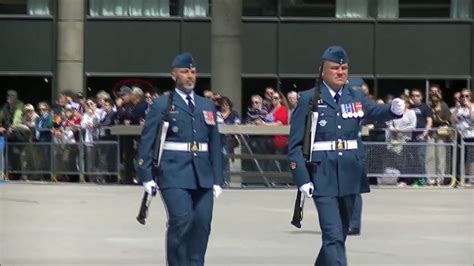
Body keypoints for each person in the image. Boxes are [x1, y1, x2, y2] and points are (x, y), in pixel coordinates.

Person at [288, 46, 405, 266]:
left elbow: (373, 111)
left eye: (344, 68)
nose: (340, 72)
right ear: (323, 71)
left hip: (350, 173)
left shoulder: (355, 95)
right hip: (322, 174)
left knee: (339, 235)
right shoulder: (308, 99)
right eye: (335, 68)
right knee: (332, 235)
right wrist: (302, 178)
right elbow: (294, 145)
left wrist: (393, 110)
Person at [136, 52, 223, 266]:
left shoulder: (206, 105)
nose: (190, 76)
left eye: (193, 72)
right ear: (173, 75)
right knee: (182, 221)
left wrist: (218, 178)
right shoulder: (162, 104)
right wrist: (146, 175)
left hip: (202, 174)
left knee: (202, 224)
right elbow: (147, 142)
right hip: (173, 173)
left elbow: (215, 144)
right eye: (185, 72)